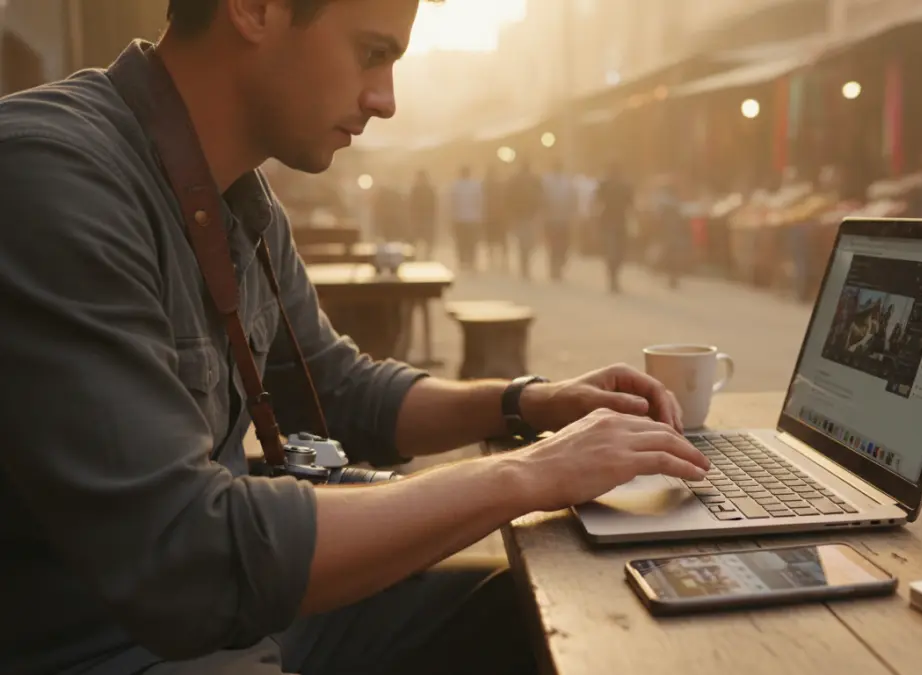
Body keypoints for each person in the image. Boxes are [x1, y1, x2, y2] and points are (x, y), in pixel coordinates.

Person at [0, 2, 706, 675]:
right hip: (108, 646)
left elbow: (337, 388)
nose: (385, 99)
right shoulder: (51, 180)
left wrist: (532, 401)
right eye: (372, 54)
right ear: (255, 7)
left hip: (227, 620)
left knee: (553, 612)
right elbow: (187, 555)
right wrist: (528, 474)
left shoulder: (237, 197)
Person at [595, 161, 634, 293]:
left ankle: (613, 277)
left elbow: (631, 203)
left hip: (614, 222)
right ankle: (613, 279)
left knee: (616, 252)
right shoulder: (609, 185)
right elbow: (632, 204)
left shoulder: (615, 185)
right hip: (614, 222)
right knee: (615, 252)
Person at [541, 159, 578, 281]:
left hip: (563, 219)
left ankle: (559, 265)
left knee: (563, 246)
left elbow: (573, 200)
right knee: (553, 245)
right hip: (551, 219)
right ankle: (554, 269)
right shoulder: (547, 181)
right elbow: (542, 199)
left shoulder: (567, 182)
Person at [507, 157, 543, 280]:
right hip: (529, 215)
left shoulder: (516, 180)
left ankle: (524, 264)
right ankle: (525, 264)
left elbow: (508, 198)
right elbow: (540, 196)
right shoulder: (534, 179)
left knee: (523, 242)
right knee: (529, 242)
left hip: (521, 215)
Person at [448, 164, 483, 271]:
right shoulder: (476, 185)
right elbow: (480, 203)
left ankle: (462, 261)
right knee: (472, 242)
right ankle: (471, 261)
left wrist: (451, 218)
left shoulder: (456, 186)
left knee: (461, 241)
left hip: (459, 218)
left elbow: (452, 203)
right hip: (472, 218)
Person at [483, 163, 509, 270]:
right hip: (497, 215)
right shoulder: (499, 185)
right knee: (500, 240)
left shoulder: (486, 185)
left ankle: (495, 260)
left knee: (493, 240)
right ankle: (502, 261)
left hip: (492, 215)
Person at [408, 168, 438, 259]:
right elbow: (411, 205)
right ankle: (413, 255)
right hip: (418, 218)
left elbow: (434, 206)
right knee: (416, 239)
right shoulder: (415, 190)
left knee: (427, 238)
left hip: (426, 218)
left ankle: (428, 255)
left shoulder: (429, 190)